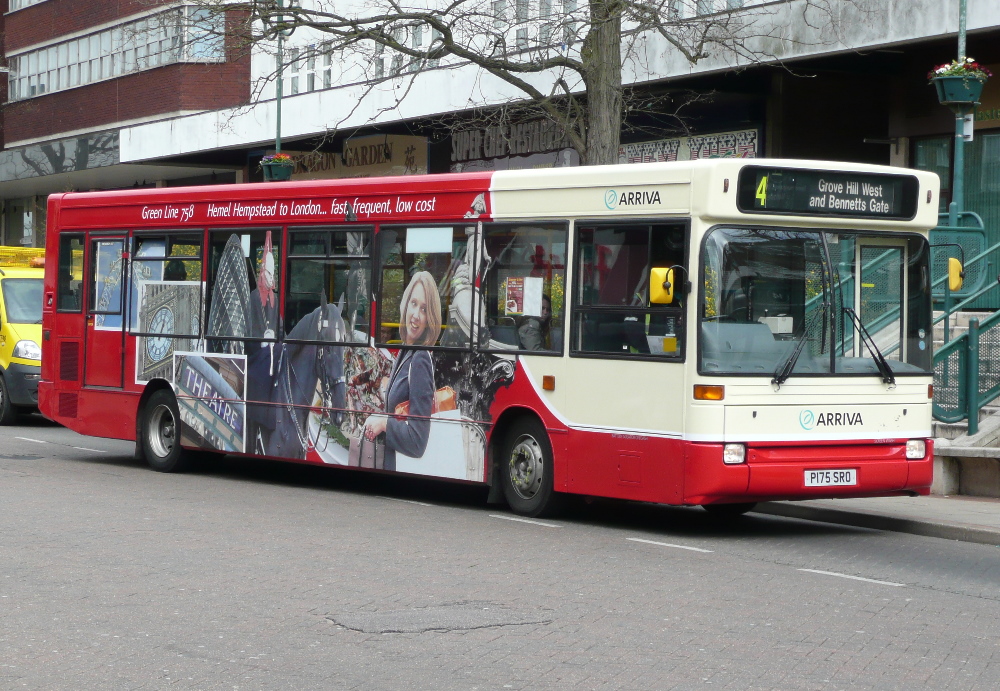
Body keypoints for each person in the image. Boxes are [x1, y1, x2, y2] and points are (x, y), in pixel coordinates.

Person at [363, 271, 442, 471]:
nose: (416, 315)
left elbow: (417, 441)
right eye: (414, 304)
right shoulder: (406, 350)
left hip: (403, 470)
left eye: (424, 309)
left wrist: (384, 423)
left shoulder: (420, 358)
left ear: (430, 318)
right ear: (406, 304)